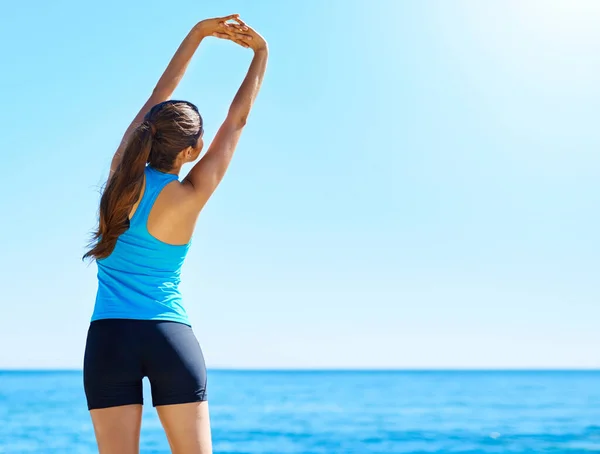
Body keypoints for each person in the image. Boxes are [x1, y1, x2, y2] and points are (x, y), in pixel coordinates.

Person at [81, 14, 268, 454]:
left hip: (108, 339)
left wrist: (200, 32)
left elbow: (156, 96)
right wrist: (260, 52)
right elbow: (236, 122)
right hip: (170, 337)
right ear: (193, 150)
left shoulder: (119, 174)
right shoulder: (191, 194)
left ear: (147, 134)